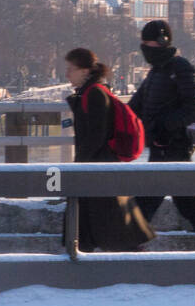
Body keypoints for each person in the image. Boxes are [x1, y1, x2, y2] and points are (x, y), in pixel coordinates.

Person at [128, 20, 195, 250]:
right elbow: (135, 107)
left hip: (173, 146)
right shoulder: (157, 72)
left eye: (147, 43)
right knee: (188, 203)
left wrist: (164, 127)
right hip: (161, 147)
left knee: (146, 202)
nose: (144, 48)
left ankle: (125, 250)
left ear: (162, 41)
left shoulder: (180, 68)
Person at [62, 47, 155, 253]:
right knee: (105, 225)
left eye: (71, 69)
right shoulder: (91, 92)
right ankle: (81, 262)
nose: (67, 74)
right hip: (98, 169)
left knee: (113, 226)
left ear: (85, 71)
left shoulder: (94, 94)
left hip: (97, 170)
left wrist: (78, 169)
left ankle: (86, 264)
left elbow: (95, 136)